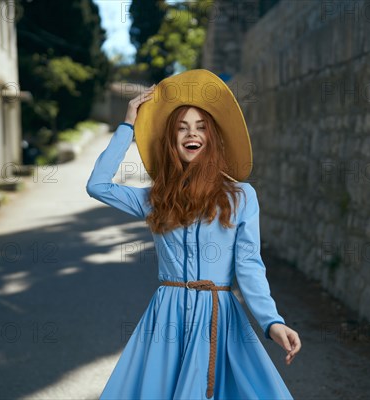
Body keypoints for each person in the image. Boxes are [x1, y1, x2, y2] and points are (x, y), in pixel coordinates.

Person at [86, 69, 301, 399]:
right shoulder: (153, 197)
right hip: (166, 318)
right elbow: (98, 185)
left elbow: (249, 266)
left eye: (201, 127)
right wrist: (128, 124)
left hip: (218, 316)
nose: (192, 133)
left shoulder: (240, 196)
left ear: (211, 138)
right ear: (172, 140)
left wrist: (272, 321)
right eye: (182, 128)